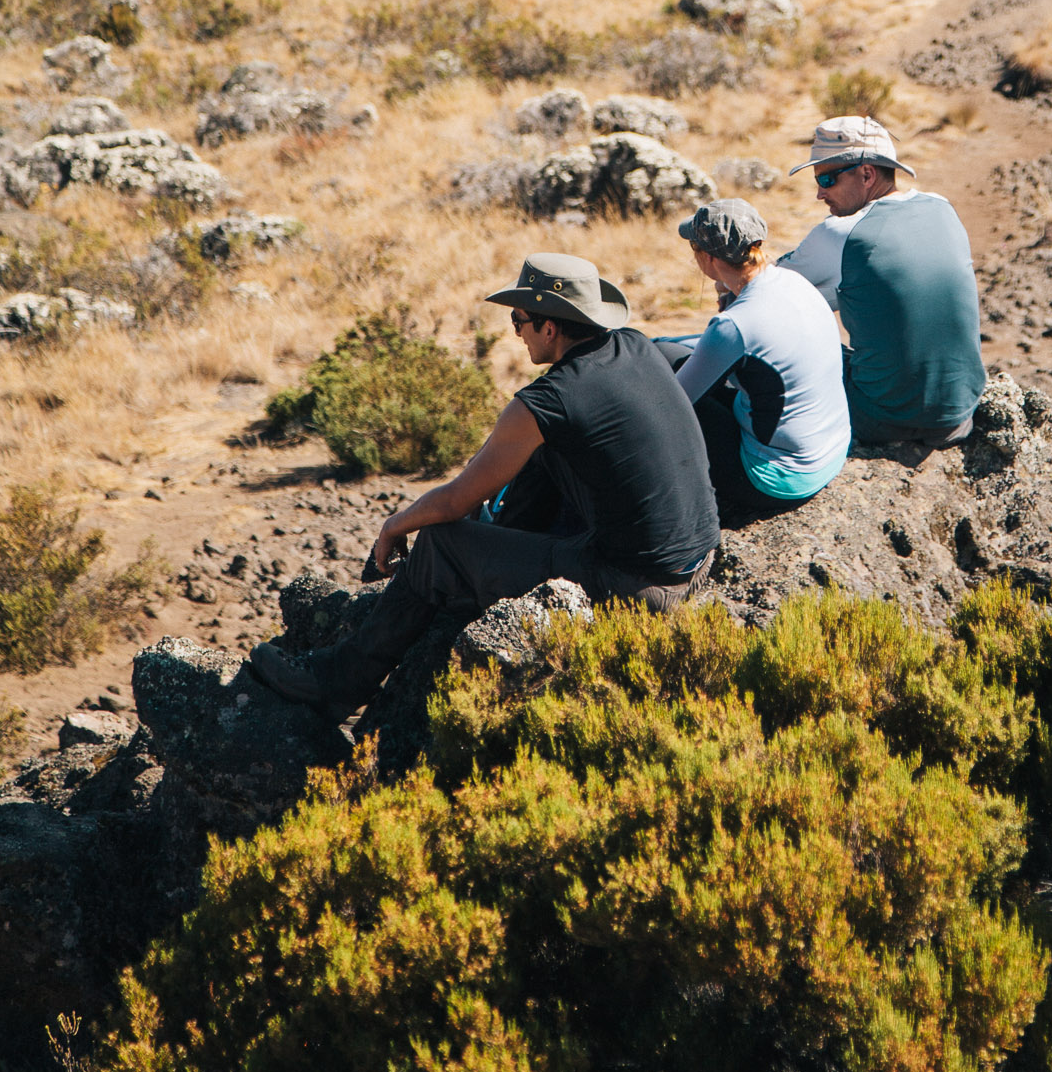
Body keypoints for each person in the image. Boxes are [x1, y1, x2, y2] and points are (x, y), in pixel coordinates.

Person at [249, 254, 720, 717]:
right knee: (547, 450)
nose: (515, 333)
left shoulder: (551, 399)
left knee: (439, 543)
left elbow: (455, 500)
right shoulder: (634, 346)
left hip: (635, 590)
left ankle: (339, 683)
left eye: (518, 321)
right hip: (698, 564)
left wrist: (396, 524)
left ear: (549, 329)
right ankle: (495, 554)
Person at [781, 116, 984, 450]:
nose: (819, 193)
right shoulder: (942, 208)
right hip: (958, 415)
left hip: (883, 419)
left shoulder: (841, 233)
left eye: (827, 178)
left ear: (866, 174)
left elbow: (761, 294)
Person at [662, 198, 850, 524]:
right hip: (830, 450)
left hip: (775, 479)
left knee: (663, 401)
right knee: (670, 354)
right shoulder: (794, 282)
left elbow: (673, 405)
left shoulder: (734, 326)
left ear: (708, 257)